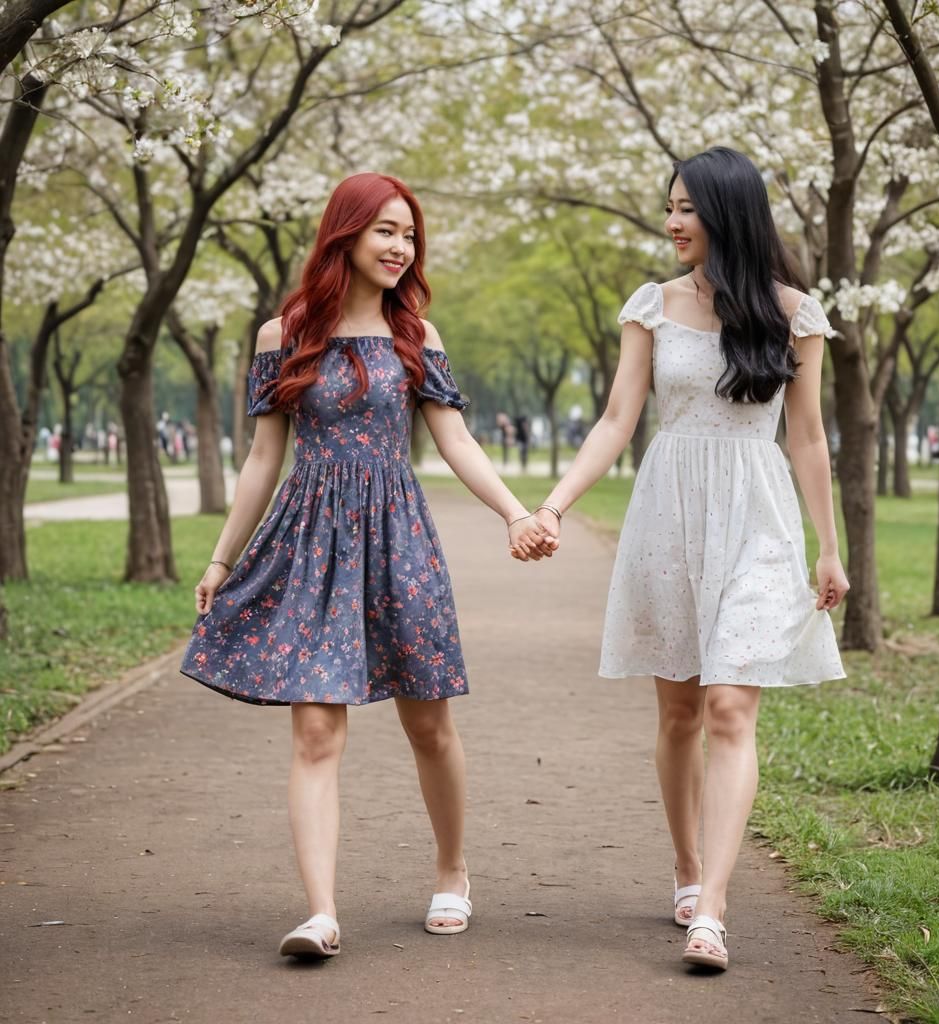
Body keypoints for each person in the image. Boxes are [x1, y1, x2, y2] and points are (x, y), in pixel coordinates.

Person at [181, 173, 556, 961]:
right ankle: (321, 912)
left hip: (400, 539)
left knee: (428, 721)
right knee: (316, 728)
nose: (400, 247)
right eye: (386, 230)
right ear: (344, 234)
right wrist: (222, 557)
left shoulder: (419, 334)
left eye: (409, 234)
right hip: (310, 543)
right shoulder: (280, 334)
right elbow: (261, 458)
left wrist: (516, 513)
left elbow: (456, 442)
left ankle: (452, 870)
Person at [526, 147, 848, 972]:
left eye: (686, 209)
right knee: (679, 713)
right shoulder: (653, 306)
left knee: (732, 707)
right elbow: (613, 420)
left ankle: (713, 909)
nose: (671, 222)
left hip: (758, 516)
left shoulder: (794, 314)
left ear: (726, 214)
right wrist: (554, 506)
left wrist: (829, 547)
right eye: (667, 207)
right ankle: (686, 865)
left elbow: (808, 438)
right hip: (669, 512)